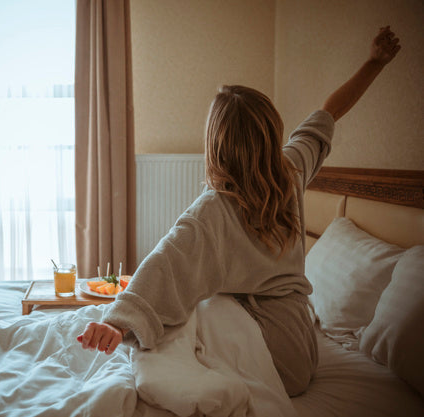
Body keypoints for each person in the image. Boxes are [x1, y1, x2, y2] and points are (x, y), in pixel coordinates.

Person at [77, 26, 401, 396]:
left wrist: (118, 323)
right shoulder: (292, 171)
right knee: (196, 302)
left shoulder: (214, 209)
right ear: (271, 132)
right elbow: (329, 113)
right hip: (300, 352)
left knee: (191, 311)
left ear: (216, 146)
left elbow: (165, 262)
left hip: (264, 355)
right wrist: (374, 63)